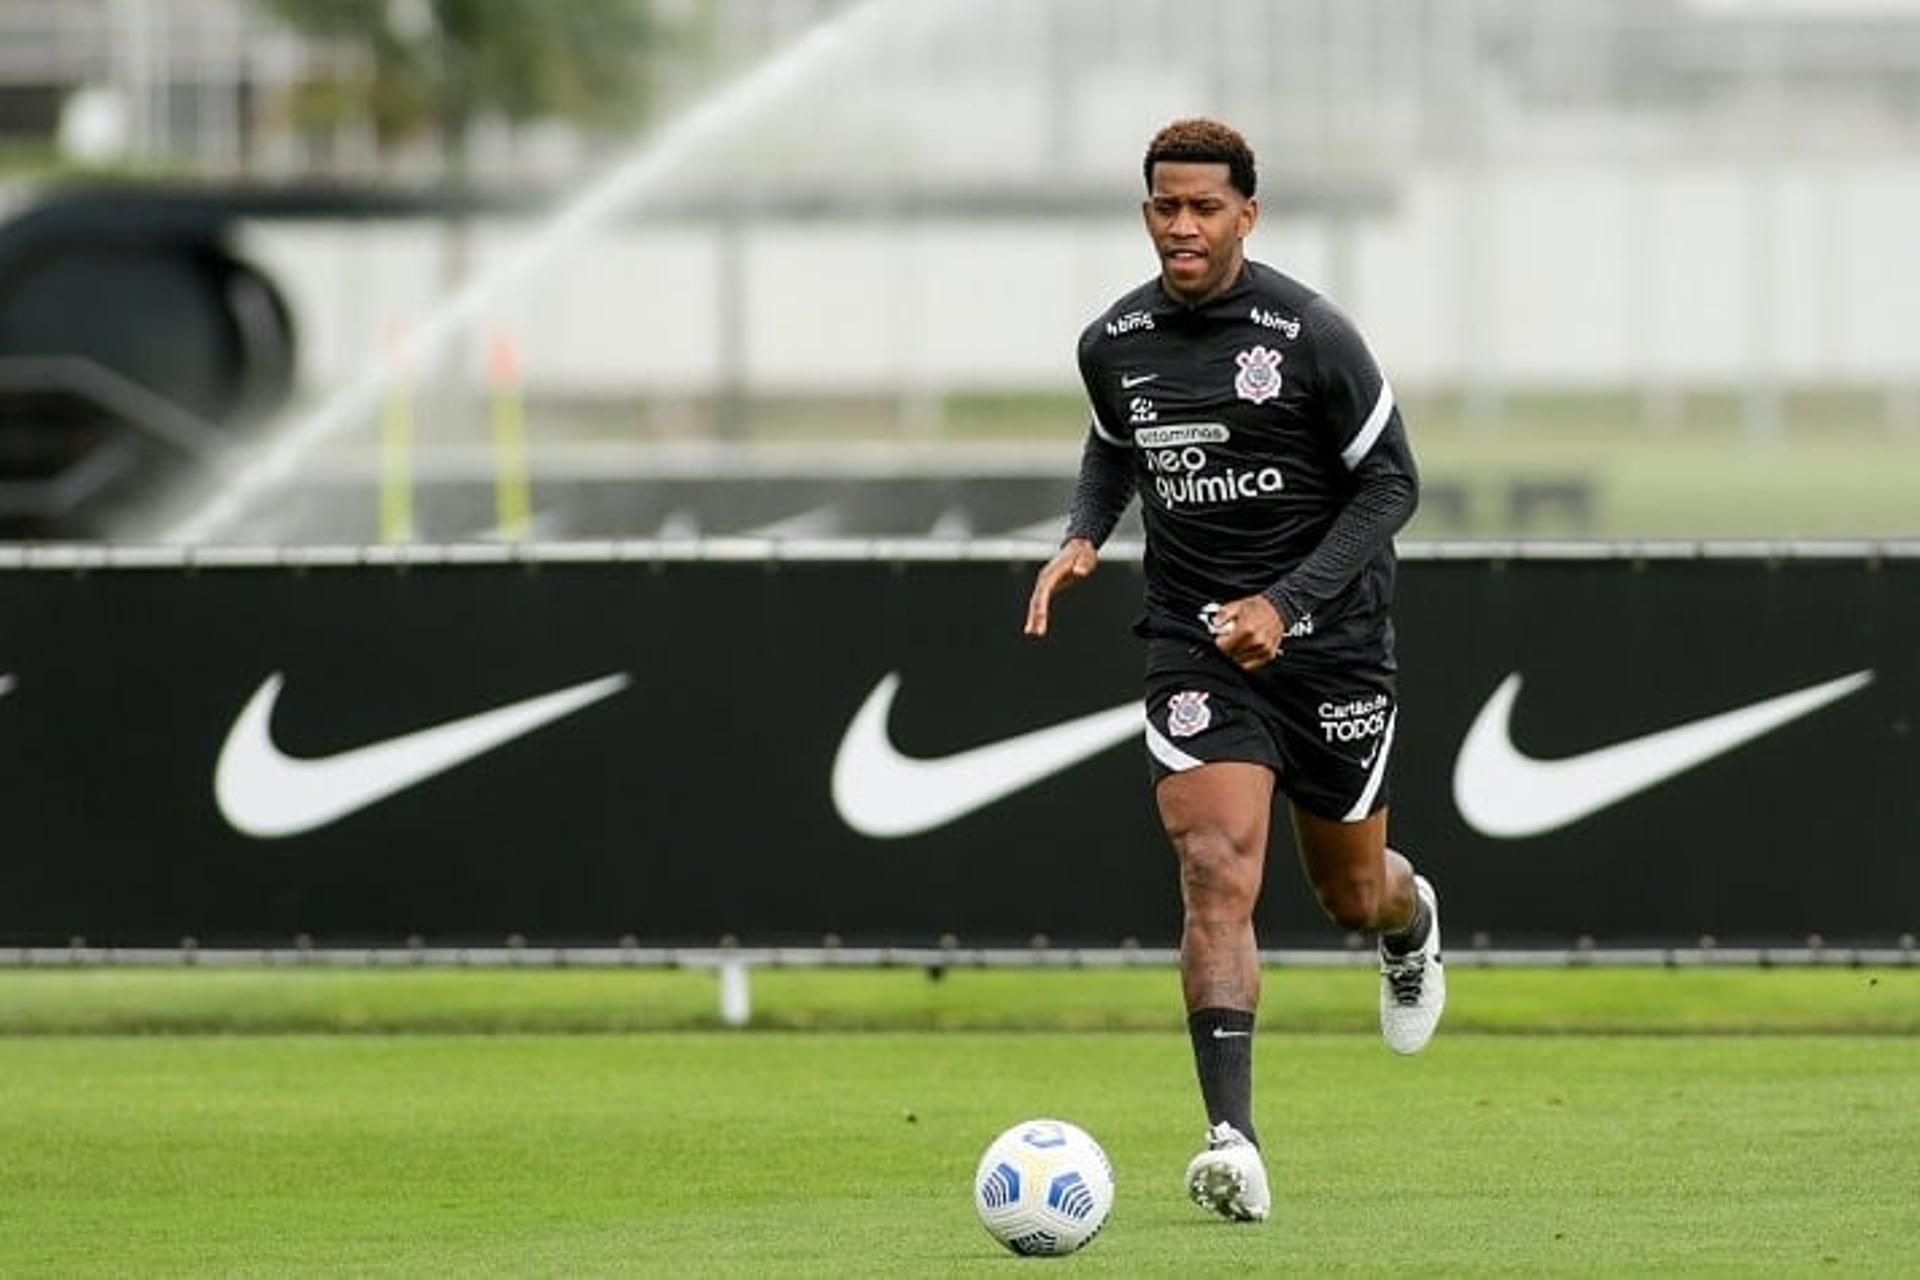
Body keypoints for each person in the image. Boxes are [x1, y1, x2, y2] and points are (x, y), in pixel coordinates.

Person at [1022, 118, 1444, 1224]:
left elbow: (1393, 485)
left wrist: (1288, 602)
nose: (1183, 226)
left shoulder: (1311, 334)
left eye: (1206, 207)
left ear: (1247, 214)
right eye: (1166, 206)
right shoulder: (1112, 339)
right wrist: (1083, 530)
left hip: (1334, 643)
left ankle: (1410, 924)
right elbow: (1120, 439)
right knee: (1213, 864)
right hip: (1194, 642)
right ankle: (1232, 1138)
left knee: (1351, 892)